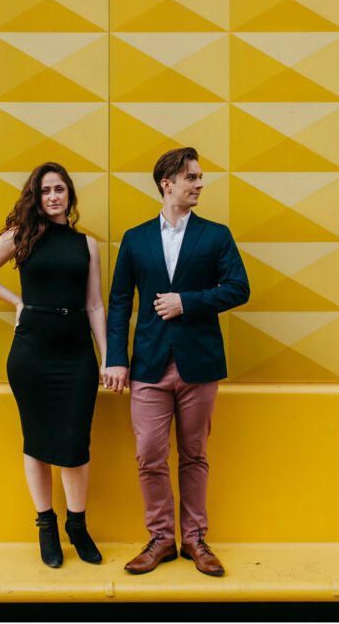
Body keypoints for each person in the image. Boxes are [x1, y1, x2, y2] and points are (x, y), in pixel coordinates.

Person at [104, 147, 250, 577]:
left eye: (200, 177)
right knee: (149, 454)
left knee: (194, 453)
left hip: (199, 364)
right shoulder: (136, 239)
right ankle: (161, 538)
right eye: (192, 177)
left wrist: (187, 302)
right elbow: (118, 303)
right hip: (148, 364)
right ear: (168, 184)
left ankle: (195, 538)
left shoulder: (216, 235)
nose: (200, 184)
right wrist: (115, 359)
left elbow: (239, 288)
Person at [0, 162, 107, 568]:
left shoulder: (87, 245)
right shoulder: (21, 237)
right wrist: (17, 303)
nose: (53, 196)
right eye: (46, 190)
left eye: (60, 189)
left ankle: (77, 526)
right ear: (37, 195)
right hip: (32, 352)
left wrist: (108, 357)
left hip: (76, 353)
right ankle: (46, 526)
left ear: (70, 195)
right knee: (36, 441)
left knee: (75, 444)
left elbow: (95, 304)